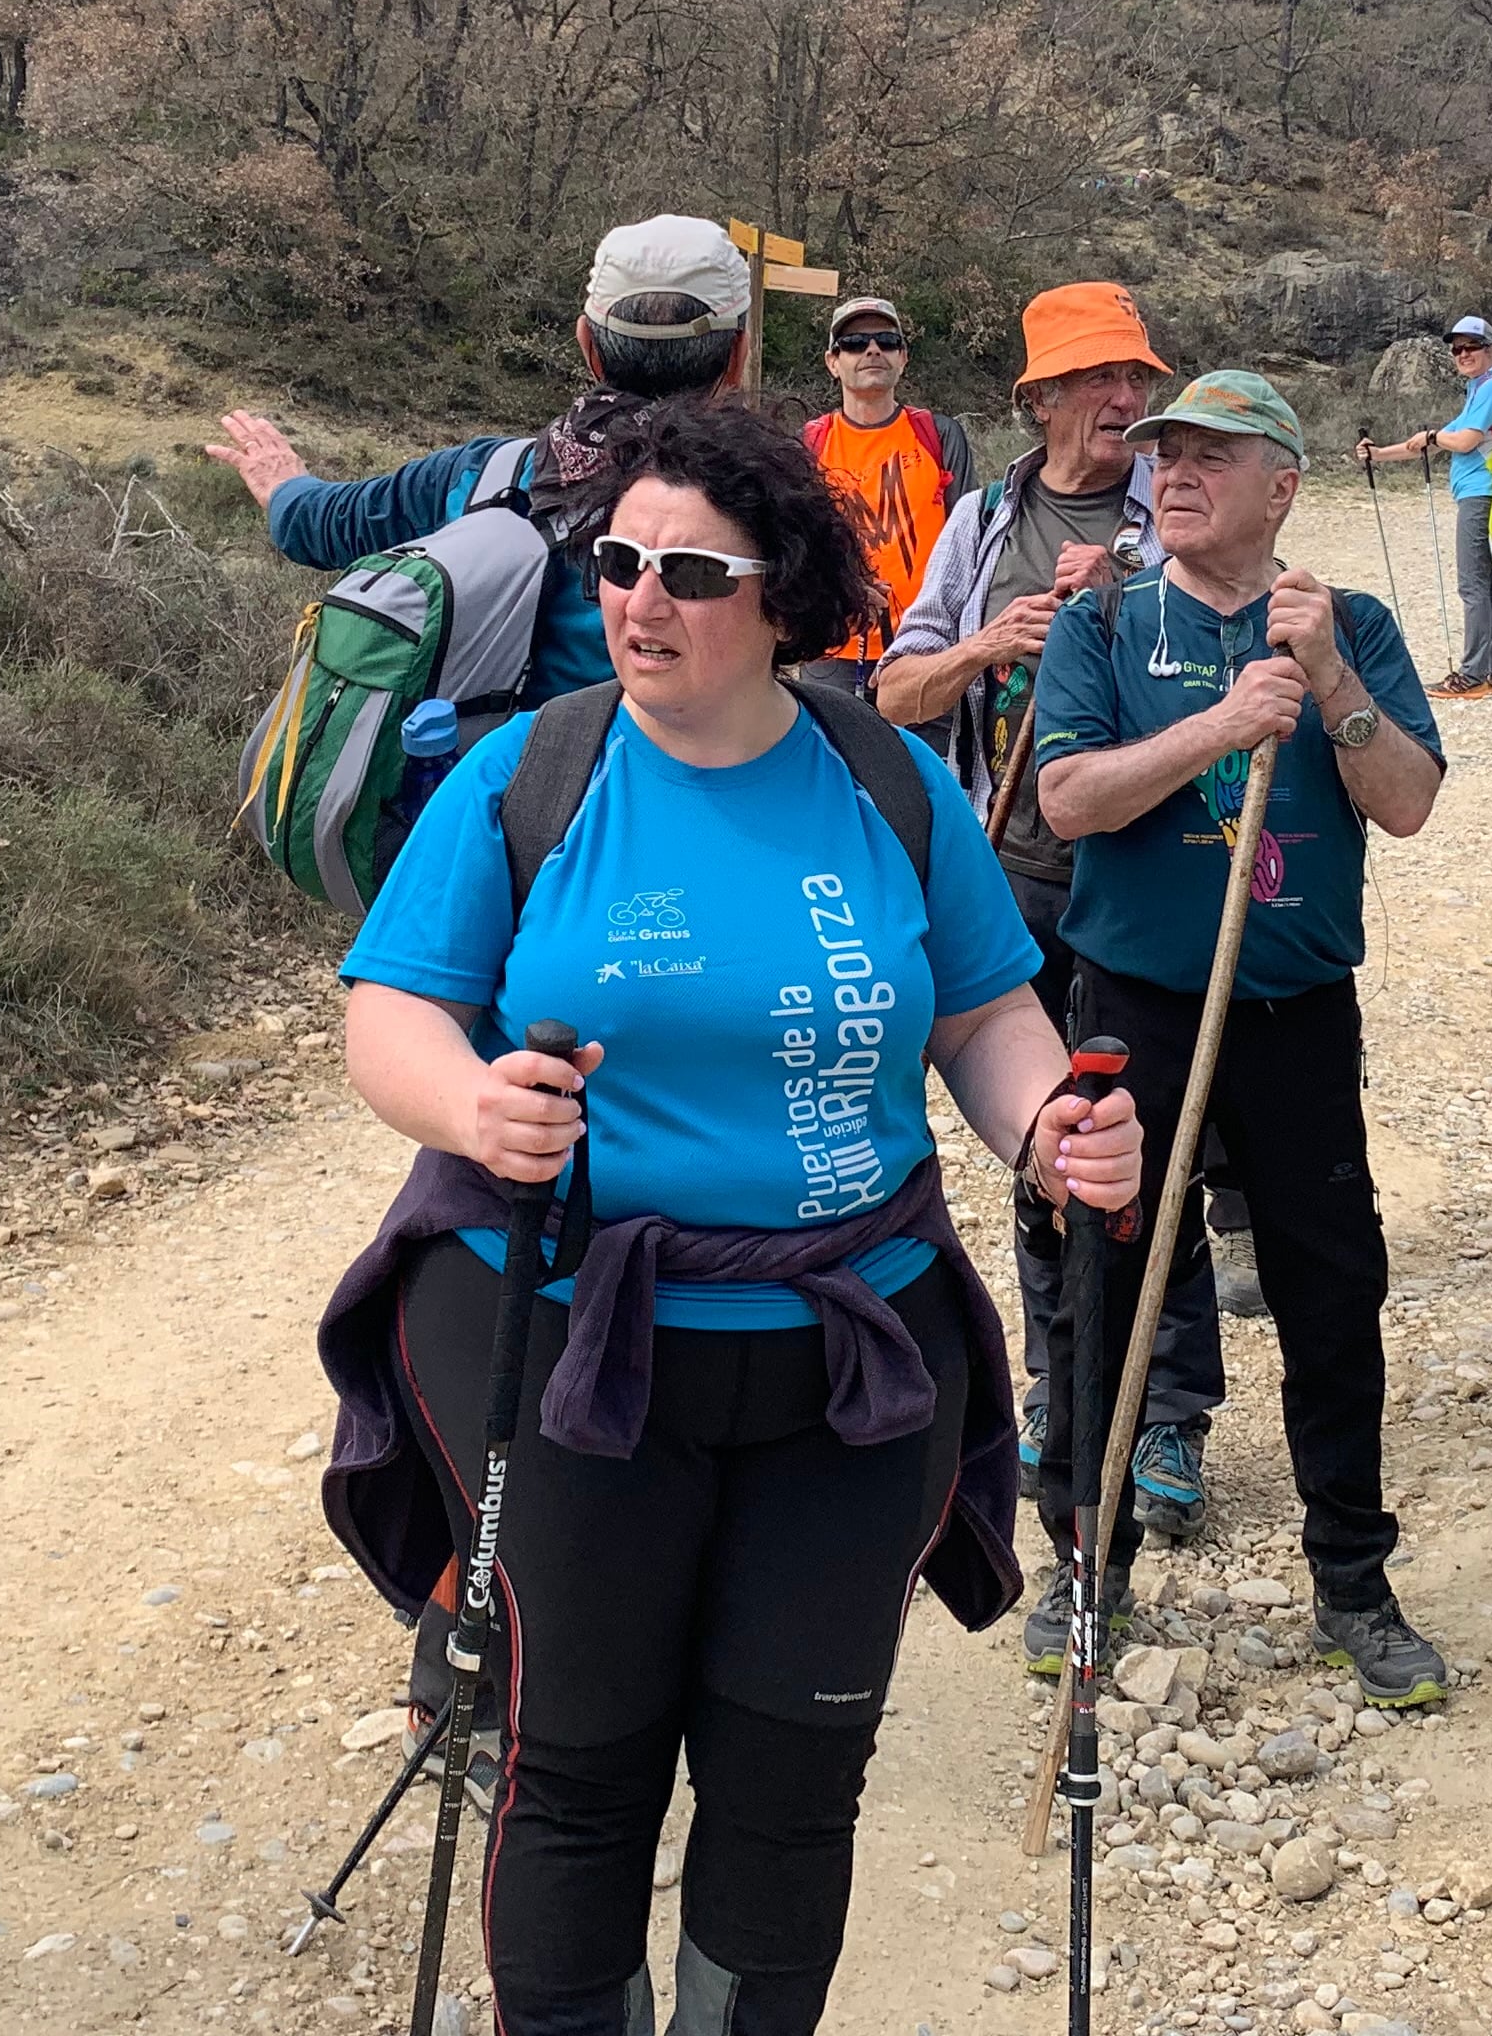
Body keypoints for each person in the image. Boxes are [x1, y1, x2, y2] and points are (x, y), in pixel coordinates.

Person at [311, 400, 1141, 2036]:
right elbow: (390, 1008)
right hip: (560, 1326)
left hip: (851, 1344)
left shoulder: (886, 780)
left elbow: (981, 1014)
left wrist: (1046, 1126)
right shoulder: (532, 770)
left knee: (789, 1771)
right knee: (578, 1759)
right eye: (618, 561)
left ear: (784, 593)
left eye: (690, 570)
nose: (639, 598)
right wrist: (473, 1104)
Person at [1033, 369, 1456, 1703]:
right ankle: (1084, 1571)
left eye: (1215, 456)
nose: (1175, 473)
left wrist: (1327, 679)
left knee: (1334, 1293)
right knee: (1105, 1280)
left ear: (1284, 484)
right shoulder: (1104, 615)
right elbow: (1069, 798)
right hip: (1133, 1004)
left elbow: (1407, 803)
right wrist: (1222, 725)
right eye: (1165, 452)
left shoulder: (1357, 625)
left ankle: (1354, 1579)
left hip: (1298, 1011)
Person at [875, 281, 1225, 1547]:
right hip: (1009, 867)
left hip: (1145, 874)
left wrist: (1132, 577)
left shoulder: (1171, 508)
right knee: (1050, 1145)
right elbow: (897, 692)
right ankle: (1056, 1385)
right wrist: (988, 647)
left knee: (1157, 1145)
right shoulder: (980, 522)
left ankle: (1172, 1403)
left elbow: (1237, 626)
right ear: (1040, 398)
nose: (1127, 403)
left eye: (1133, 380)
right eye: (1097, 383)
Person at [209, 214, 757, 701]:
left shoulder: (484, 475)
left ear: (587, 344)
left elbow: (325, 525)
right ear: (737, 357)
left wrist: (283, 482)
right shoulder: (767, 504)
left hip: (496, 795)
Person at [798, 290, 973, 690]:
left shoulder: (938, 436)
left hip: (926, 647)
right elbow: (796, 547)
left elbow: (968, 542)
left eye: (887, 341)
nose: (873, 350)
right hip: (832, 649)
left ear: (903, 358)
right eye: (855, 344)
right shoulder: (810, 444)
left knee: (919, 755)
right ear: (833, 363)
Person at [1358, 313, 1492, 692]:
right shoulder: (1481, 391)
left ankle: (1472, 675)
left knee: (1473, 585)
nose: (1462, 354)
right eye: (1457, 349)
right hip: (1489, 494)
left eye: (1472, 347)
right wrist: (1379, 454)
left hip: (1480, 495)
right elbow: (1434, 440)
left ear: (1491, 350)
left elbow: (1462, 441)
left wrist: (1432, 436)